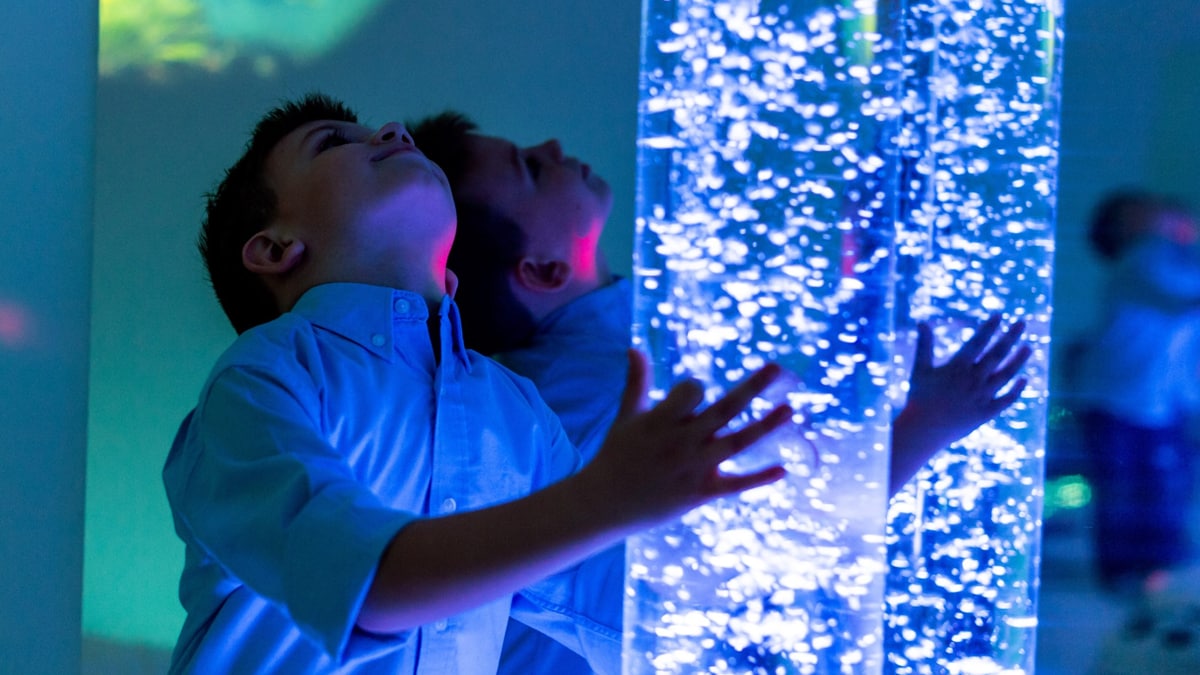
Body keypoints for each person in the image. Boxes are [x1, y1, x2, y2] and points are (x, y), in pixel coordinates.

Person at [162, 92, 797, 674]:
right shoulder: (262, 377)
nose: (388, 129)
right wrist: (609, 496)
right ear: (275, 250)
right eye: (333, 142)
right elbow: (366, 588)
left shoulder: (515, 408)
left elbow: (623, 619)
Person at [410, 110, 1033, 674]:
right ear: (543, 269)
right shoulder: (590, 394)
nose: (550, 141)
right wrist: (926, 426)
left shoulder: (604, 358)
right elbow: (751, 564)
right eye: (529, 167)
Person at [1066, 188, 1200, 593]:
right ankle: (1129, 573)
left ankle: (1151, 570)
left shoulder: (1164, 260)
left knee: (1155, 484)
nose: (1158, 209)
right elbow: (1179, 300)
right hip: (1116, 400)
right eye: (1142, 210)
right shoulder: (1137, 263)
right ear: (1124, 228)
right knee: (1127, 487)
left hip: (1153, 401)